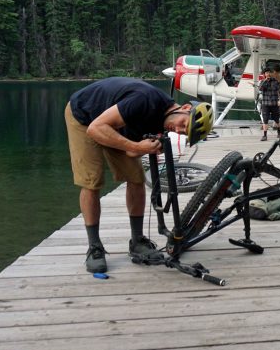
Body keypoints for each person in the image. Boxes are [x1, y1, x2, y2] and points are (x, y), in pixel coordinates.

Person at [65, 77, 214, 273]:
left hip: (112, 124)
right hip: (84, 116)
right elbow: (96, 129)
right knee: (92, 181)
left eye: (183, 132)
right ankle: (95, 247)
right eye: (182, 124)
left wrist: (147, 148)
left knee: (136, 178)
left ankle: (137, 241)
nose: (177, 130)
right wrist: (137, 146)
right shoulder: (144, 100)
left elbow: (130, 152)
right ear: (185, 107)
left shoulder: (162, 122)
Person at [259, 64, 280, 141]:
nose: (267, 74)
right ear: (264, 74)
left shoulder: (276, 81)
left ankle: (279, 132)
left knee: (277, 119)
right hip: (265, 104)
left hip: (274, 103)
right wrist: (264, 81)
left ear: (271, 73)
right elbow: (260, 89)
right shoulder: (262, 82)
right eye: (266, 73)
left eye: (269, 72)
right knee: (265, 120)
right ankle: (265, 135)